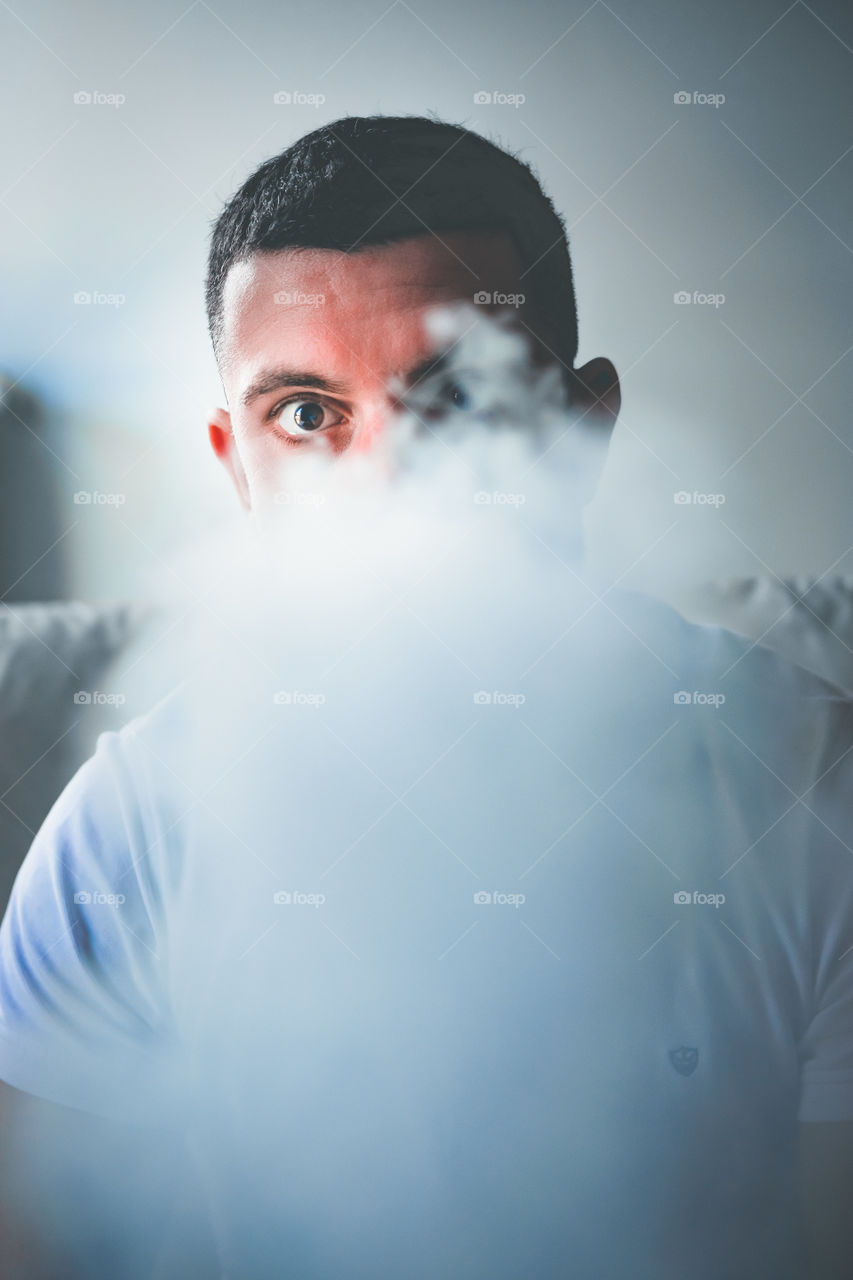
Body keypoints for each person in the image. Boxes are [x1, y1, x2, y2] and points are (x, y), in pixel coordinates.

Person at [0, 115, 851, 1280]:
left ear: (585, 425)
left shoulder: (808, 784)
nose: (387, 485)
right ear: (235, 464)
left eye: (454, 396)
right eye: (307, 414)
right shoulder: (130, 828)